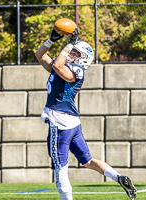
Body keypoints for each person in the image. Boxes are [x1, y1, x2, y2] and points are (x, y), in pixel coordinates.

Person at [35, 25, 137, 200]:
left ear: (82, 59)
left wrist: (69, 44)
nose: (71, 53)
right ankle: (119, 177)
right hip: (72, 123)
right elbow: (40, 55)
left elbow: (59, 65)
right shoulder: (61, 66)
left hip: (60, 122)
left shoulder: (77, 70)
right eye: (72, 51)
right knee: (87, 161)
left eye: (75, 52)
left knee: (60, 167)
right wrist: (51, 40)